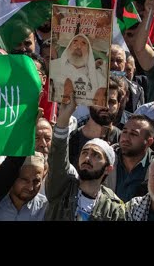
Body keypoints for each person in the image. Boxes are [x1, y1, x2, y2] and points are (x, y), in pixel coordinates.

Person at [44, 91, 125, 221]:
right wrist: (64, 118)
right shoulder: (62, 188)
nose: (87, 158)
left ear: (108, 168)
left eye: (96, 155)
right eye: (84, 152)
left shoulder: (113, 208)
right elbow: (57, 158)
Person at [104, 115, 154, 202]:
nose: (125, 138)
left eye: (133, 134)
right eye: (124, 132)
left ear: (149, 142)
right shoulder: (106, 159)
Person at [49, 33, 104, 106]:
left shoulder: (98, 78)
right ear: (68, 47)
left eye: (83, 43)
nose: (78, 46)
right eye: (75, 42)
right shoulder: (52, 66)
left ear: (89, 52)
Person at [0, 152, 48, 221]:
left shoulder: (46, 208)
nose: (30, 187)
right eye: (25, 180)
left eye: (36, 181)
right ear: (13, 178)